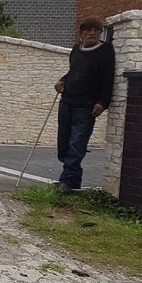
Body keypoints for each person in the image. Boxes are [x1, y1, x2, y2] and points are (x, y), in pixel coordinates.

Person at [54, 16, 115, 193]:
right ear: (81, 33)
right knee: (63, 144)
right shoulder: (76, 49)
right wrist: (62, 81)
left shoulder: (106, 50)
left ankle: (66, 180)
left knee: (77, 143)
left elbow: (108, 78)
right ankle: (73, 181)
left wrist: (103, 102)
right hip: (67, 102)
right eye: (88, 30)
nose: (92, 33)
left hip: (86, 106)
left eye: (96, 30)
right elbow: (73, 72)